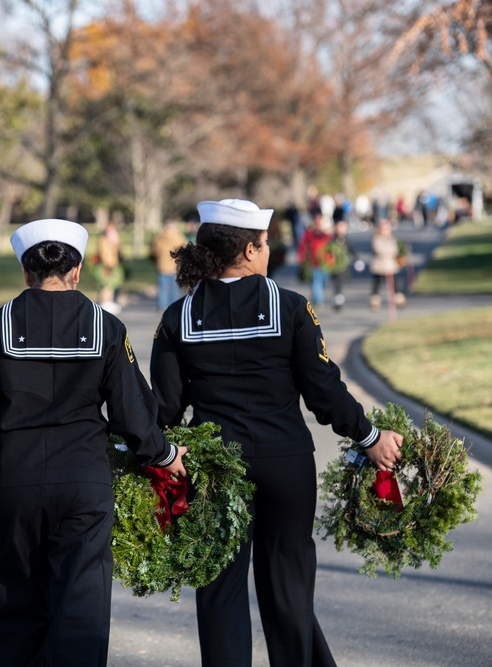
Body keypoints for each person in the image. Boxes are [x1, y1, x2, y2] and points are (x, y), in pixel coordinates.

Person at [0, 218, 188, 667]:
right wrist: (163, 455)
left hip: (16, 483)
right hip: (84, 485)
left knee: (20, 605)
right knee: (80, 608)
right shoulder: (107, 326)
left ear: (26, 272)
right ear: (78, 270)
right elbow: (133, 415)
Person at [149, 199, 404, 667]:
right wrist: (370, 438)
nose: (268, 253)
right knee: (288, 587)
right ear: (249, 250)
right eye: (264, 245)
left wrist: (154, 450)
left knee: (220, 593)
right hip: (285, 465)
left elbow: (163, 408)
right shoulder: (290, 306)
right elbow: (324, 391)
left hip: (214, 473)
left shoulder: (176, 317)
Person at [297, 213, 333, 308]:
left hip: (325, 261)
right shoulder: (309, 233)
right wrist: (302, 257)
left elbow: (332, 244)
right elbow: (303, 245)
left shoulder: (327, 234)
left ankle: (318, 296)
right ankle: (318, 300)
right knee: (316, 281)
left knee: (324, 279)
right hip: (314, 261)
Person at [151, 220, 188, 309]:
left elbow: (154, 251)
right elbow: (185, 250)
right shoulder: (179, 237)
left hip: (162, 266)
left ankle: (162, 305)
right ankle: (174, 307)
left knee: (162, 289)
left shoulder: (160, 238)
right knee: (174, 289)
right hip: (174, 267)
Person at [369, 218, 403, 311]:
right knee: (377, 282)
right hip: (379, 264)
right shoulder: (376, 238)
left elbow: (395, 249)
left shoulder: (392, 238)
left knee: (394, 282)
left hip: (390, 264)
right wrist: (390, 251)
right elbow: (379, 249)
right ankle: (375, 300)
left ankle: (398, 298)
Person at [93, 220, 124, 313]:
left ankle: (110, 303)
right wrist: (107, 264)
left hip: (114, 263)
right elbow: (104, 252)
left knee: (112, 285)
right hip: (106, 264)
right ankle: (105, 304)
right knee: (106, 285)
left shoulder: (114, 239)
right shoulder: (103, 239)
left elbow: (119, 251)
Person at [328, 220, 357, 312]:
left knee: (340, 282)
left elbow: (352, 251)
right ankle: (338, 300)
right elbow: (328, 251)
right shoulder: (332, 240)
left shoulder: (347, 240)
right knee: (337, 283)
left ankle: (339, 300)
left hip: (344, 266)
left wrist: (357, 260)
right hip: (334, 266)